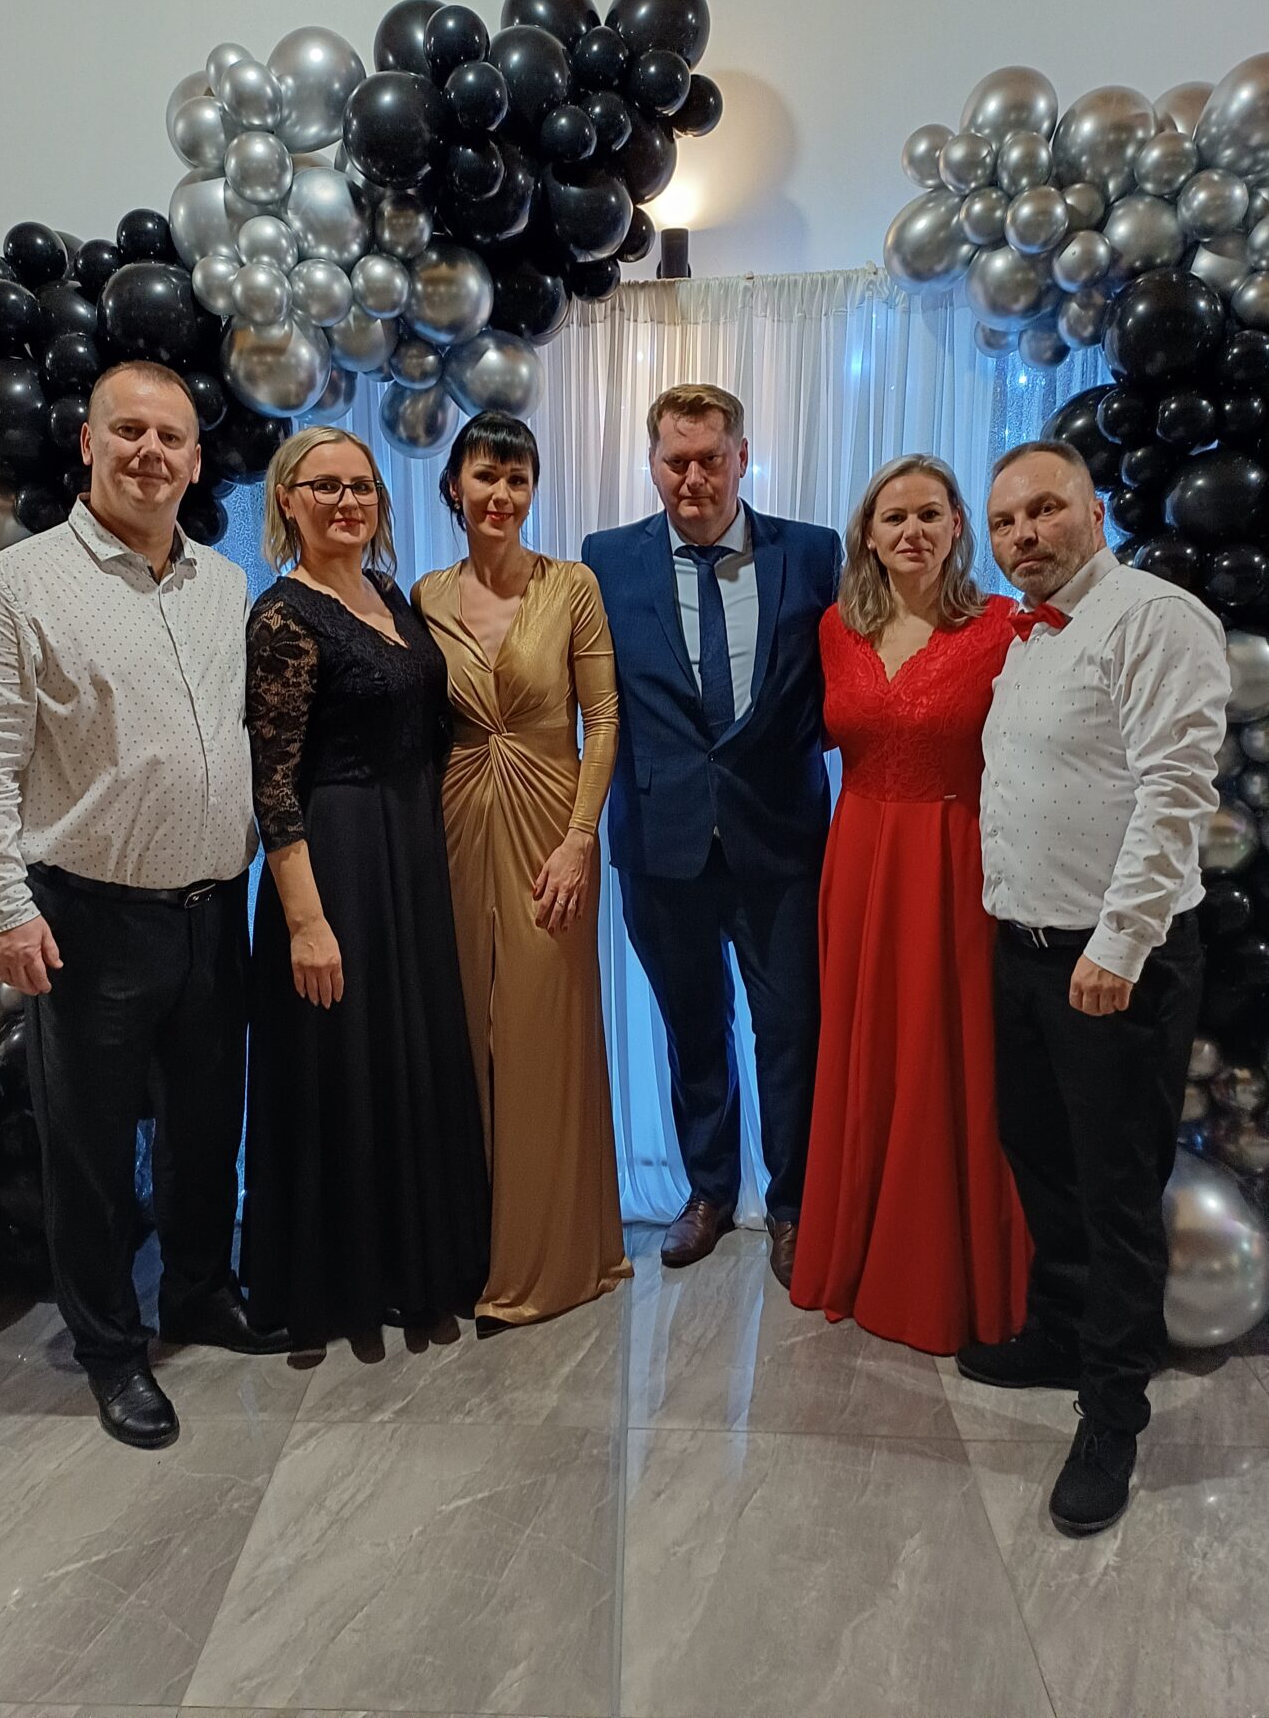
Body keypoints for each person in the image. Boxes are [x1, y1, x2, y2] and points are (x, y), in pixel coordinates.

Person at [0, 360, 287, 1451]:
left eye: (171, 437)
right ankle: (109, 1348)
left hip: (214, 907)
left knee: (204, 1127)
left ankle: (198, 1291)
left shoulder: (223, 584)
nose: (150, 453)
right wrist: (1, 905)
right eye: (128, 431)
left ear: (195, 459)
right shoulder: (17, 586)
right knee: (88, 1150)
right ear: (89, 444)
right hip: (88, 916)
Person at [958, 438, 1228, 1537]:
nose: (1024, 534)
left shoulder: (1154, 618)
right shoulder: (1030, 635)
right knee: (1042, 1160)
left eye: (1044, 510)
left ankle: (1113, 1414)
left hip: (1115, 960)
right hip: (1025, 951)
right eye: (1006, 522)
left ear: (1095, 510)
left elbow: (1177, 793)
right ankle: (1062, 1336)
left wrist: (1117, 946)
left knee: (1116, 1193)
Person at [583, 384, 840, 1286]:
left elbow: (846, 675)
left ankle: (795, 1205)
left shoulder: (814, 551)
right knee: (693, 1027)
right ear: (653, 465)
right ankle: (707, 1192)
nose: (692, 477)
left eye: (710, 458)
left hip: (782, 842)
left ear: (742, 458)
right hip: (662, 842)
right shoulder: (606, 559)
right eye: (675, 461)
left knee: (791, 1030)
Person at [243, 425, 489, 1348]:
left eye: (362, 486)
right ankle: (343, 1281)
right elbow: (272, 784)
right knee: (342, 1067)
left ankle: (415, 1263)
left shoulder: (388, 591)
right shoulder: (283, 615)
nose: (348, 502)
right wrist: (306, 924)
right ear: (287, 501)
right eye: (326, 487)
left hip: (408, 852)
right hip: (335, 861)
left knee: (405, 1056)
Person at [789, 455, 1030, 1351]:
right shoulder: (835, 630)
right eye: (894, 518)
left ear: (959, 526)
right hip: (857, 859)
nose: (912, 532)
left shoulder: (1002, 627)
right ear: (868, 534)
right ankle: (854, 1251)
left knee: (944, 1050)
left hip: (955, 860)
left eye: (930, 515)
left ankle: (941, 1273)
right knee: (866, 1051)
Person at [413, 411, 630, 1329]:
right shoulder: (425, 595)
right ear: (454, 487)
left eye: (517, 478)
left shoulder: (571, 585)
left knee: (544, 1032)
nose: (501, 494)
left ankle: (554, 1258)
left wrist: (581, 838)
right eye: (486, 476)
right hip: (457, 819)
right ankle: (475, 1247)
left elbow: (604, 719)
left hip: (553, 826)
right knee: (467, 1029)